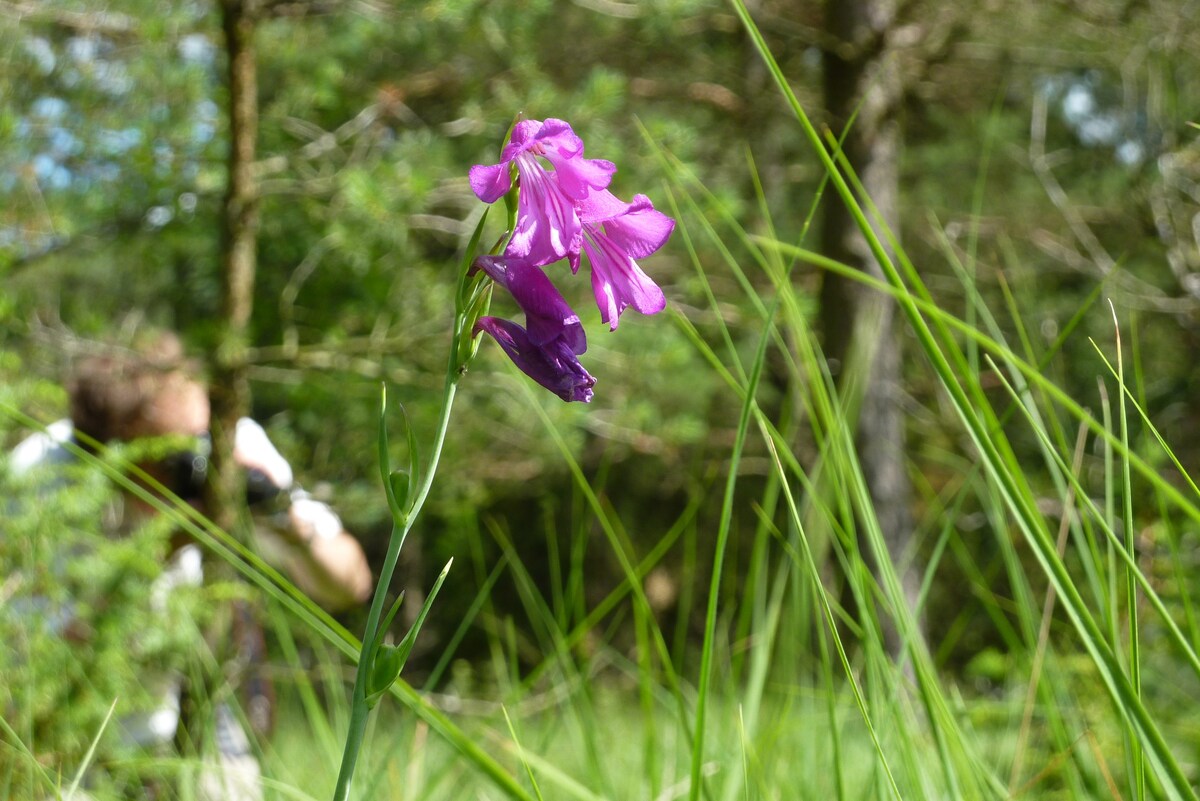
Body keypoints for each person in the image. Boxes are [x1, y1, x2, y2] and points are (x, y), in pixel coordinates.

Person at [7, 332, 373, 799]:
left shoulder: (228, 444)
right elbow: (35, 672)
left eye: (196, 443)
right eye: (171, 458)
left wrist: (281, 513)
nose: (193, 466)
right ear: (114, 450)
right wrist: (157, 552)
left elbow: (350, 585)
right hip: (83, 731)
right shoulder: (42, 479)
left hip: (202, 701)